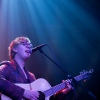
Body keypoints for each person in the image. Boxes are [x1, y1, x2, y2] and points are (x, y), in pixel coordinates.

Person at [0, 36, 72, 100]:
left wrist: (63, 92)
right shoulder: (7, 67)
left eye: (30, 45)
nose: (29, 47)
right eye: (24, 44)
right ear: (15, 49)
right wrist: (23, 93)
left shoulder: (31, 76)